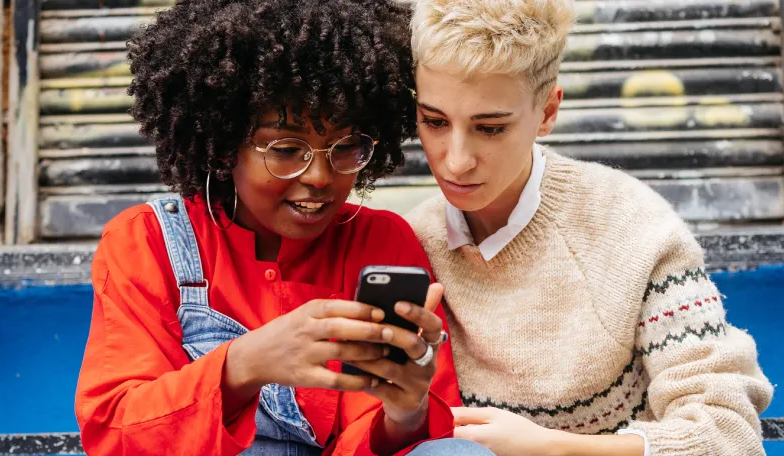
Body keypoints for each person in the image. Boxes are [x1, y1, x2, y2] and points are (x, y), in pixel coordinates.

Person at [73, 1, 491, 455]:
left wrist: (404, 414)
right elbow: (115, 434)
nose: (320, 177)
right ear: (223, 144)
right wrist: (243, 365)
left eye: (344, 146)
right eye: (287, 150)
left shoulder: (379, 241)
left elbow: (411, 436)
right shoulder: (146, 242)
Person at [402, 1, 776, 455]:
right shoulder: (407, 243)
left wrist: (553, 448)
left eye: (491, 128)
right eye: (434, 121)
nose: (457, 160)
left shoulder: (628, 227)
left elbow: (728, 435)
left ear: (547, 112)